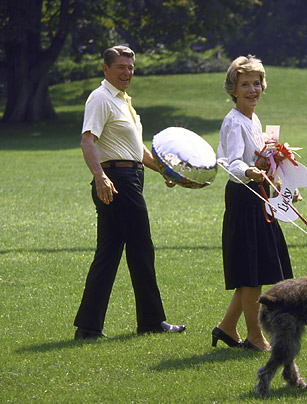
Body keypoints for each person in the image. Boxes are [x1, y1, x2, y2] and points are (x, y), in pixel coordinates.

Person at [74, 45, 185, 339]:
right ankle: (151, 321)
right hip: (116, 181)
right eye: (121, 67)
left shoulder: (124, 101)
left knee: (108, 253)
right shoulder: (101, 98)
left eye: (131, 68)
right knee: (141, 248)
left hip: (128, 177)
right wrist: (100, 177)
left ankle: (87, 328)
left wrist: (165, 171)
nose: (127, 73)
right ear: (106, 69)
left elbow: (138, 151)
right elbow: (87, 141)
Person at [212, 55, 293, 351]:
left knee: (254, 271)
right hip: (244, 200)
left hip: (260, 198)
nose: (252, 90)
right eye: (245, 84)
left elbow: (265, 161)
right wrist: (249, 171)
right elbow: (229, 161)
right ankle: (254, 336)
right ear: (233, 89)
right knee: (250, 276)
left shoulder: (254, 119)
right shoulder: (233, 122)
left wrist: (282, 187)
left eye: (256, 83)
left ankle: (226, 328)